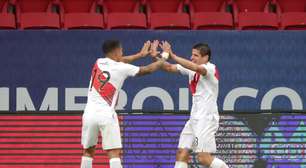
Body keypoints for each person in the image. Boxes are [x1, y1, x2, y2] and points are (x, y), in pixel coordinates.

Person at [80, 40, 165, 168]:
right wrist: (164, 57)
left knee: (88, 151)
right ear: (116, 51)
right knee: (114, 153)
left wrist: (139, 55)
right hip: (106, 115)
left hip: (88, 114)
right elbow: (147, 70)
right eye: (121, 50)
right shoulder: (122, 68)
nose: (122, 52)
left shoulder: (98, 62)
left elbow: (120, 61)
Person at [156, 41, 229, 168]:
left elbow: (196, 68)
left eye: (195, 55)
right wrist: (155, 56)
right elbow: (168, 67)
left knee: (203, 158)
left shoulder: (210, 68)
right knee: (182, 152)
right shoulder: (191, 67)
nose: (192, 57)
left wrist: (172, 55)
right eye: (192, 55)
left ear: (205, 57)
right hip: (194, 118)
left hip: (206, 118)